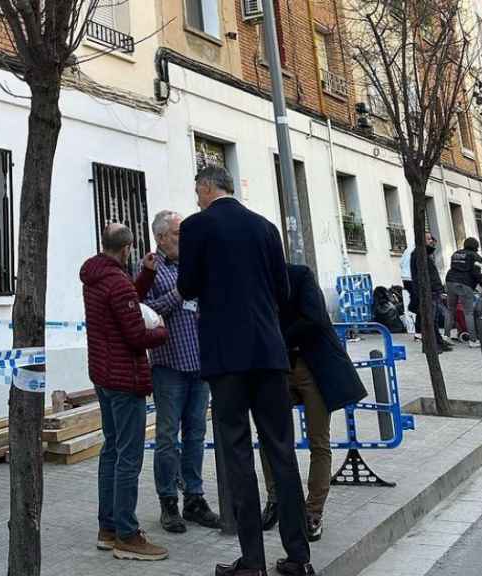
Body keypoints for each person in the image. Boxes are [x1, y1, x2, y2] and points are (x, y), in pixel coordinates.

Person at [177, 166, 313, 576]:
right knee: (281, 453)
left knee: (237, 455)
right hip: (269, 354)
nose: (197, 199)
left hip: (226, 358)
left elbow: (186, 286)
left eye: (197, 192)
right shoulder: (265, 227)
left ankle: (251, 560)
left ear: (206, 186)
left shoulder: (197, 227)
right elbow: (283, 291)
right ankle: (298, 557)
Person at [80, 223, 170, 562]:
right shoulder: (115, 283)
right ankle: (127, 534)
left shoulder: (97, 276)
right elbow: (135, 333)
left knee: (112, 450)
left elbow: (126, 300)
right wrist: (162, 331)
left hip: (103, 375)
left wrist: (145, 277)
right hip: (124, 379)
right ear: (128, 248)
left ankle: (107, 528)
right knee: (128, 457)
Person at [260, 264, 368, 543]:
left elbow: (314, 318)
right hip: (279, 368)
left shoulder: (300, 275)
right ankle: (276, 500)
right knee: (271, 436)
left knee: (319, 441)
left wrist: (275, 338)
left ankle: (313, 511)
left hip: (312, 367)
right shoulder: (257, 281)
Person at [143, 210, 221, 534]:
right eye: (177, 234)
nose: (183, 240)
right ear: (161, 238)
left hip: (198, 363)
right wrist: (181, 292)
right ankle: (168, 503)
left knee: (196, 435)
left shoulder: (193, 263)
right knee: (166, 437)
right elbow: (147, 312)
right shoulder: (150, 268)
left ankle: (194, 498)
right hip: (169, 366)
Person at [410, 232, 452, 351]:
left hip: (433, 291)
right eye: (428, 239)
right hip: (428, 291)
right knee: (430, 319)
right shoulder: (419, 255)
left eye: (430, 239)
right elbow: (421, 276)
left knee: (434, 319)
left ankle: (438, 342)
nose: (431, 241)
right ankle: (432, 345)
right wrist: (427, 291)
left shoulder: (425, 254)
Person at [444, 237, 482, 346]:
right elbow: (477, 273)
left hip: (450, 281)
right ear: (476, 246)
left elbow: (453, 267)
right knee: (468, 312)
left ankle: (446, 336)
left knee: (450, 310)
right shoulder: (475, 256)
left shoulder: (456, 253)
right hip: (464, 284)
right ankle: (473, 340)